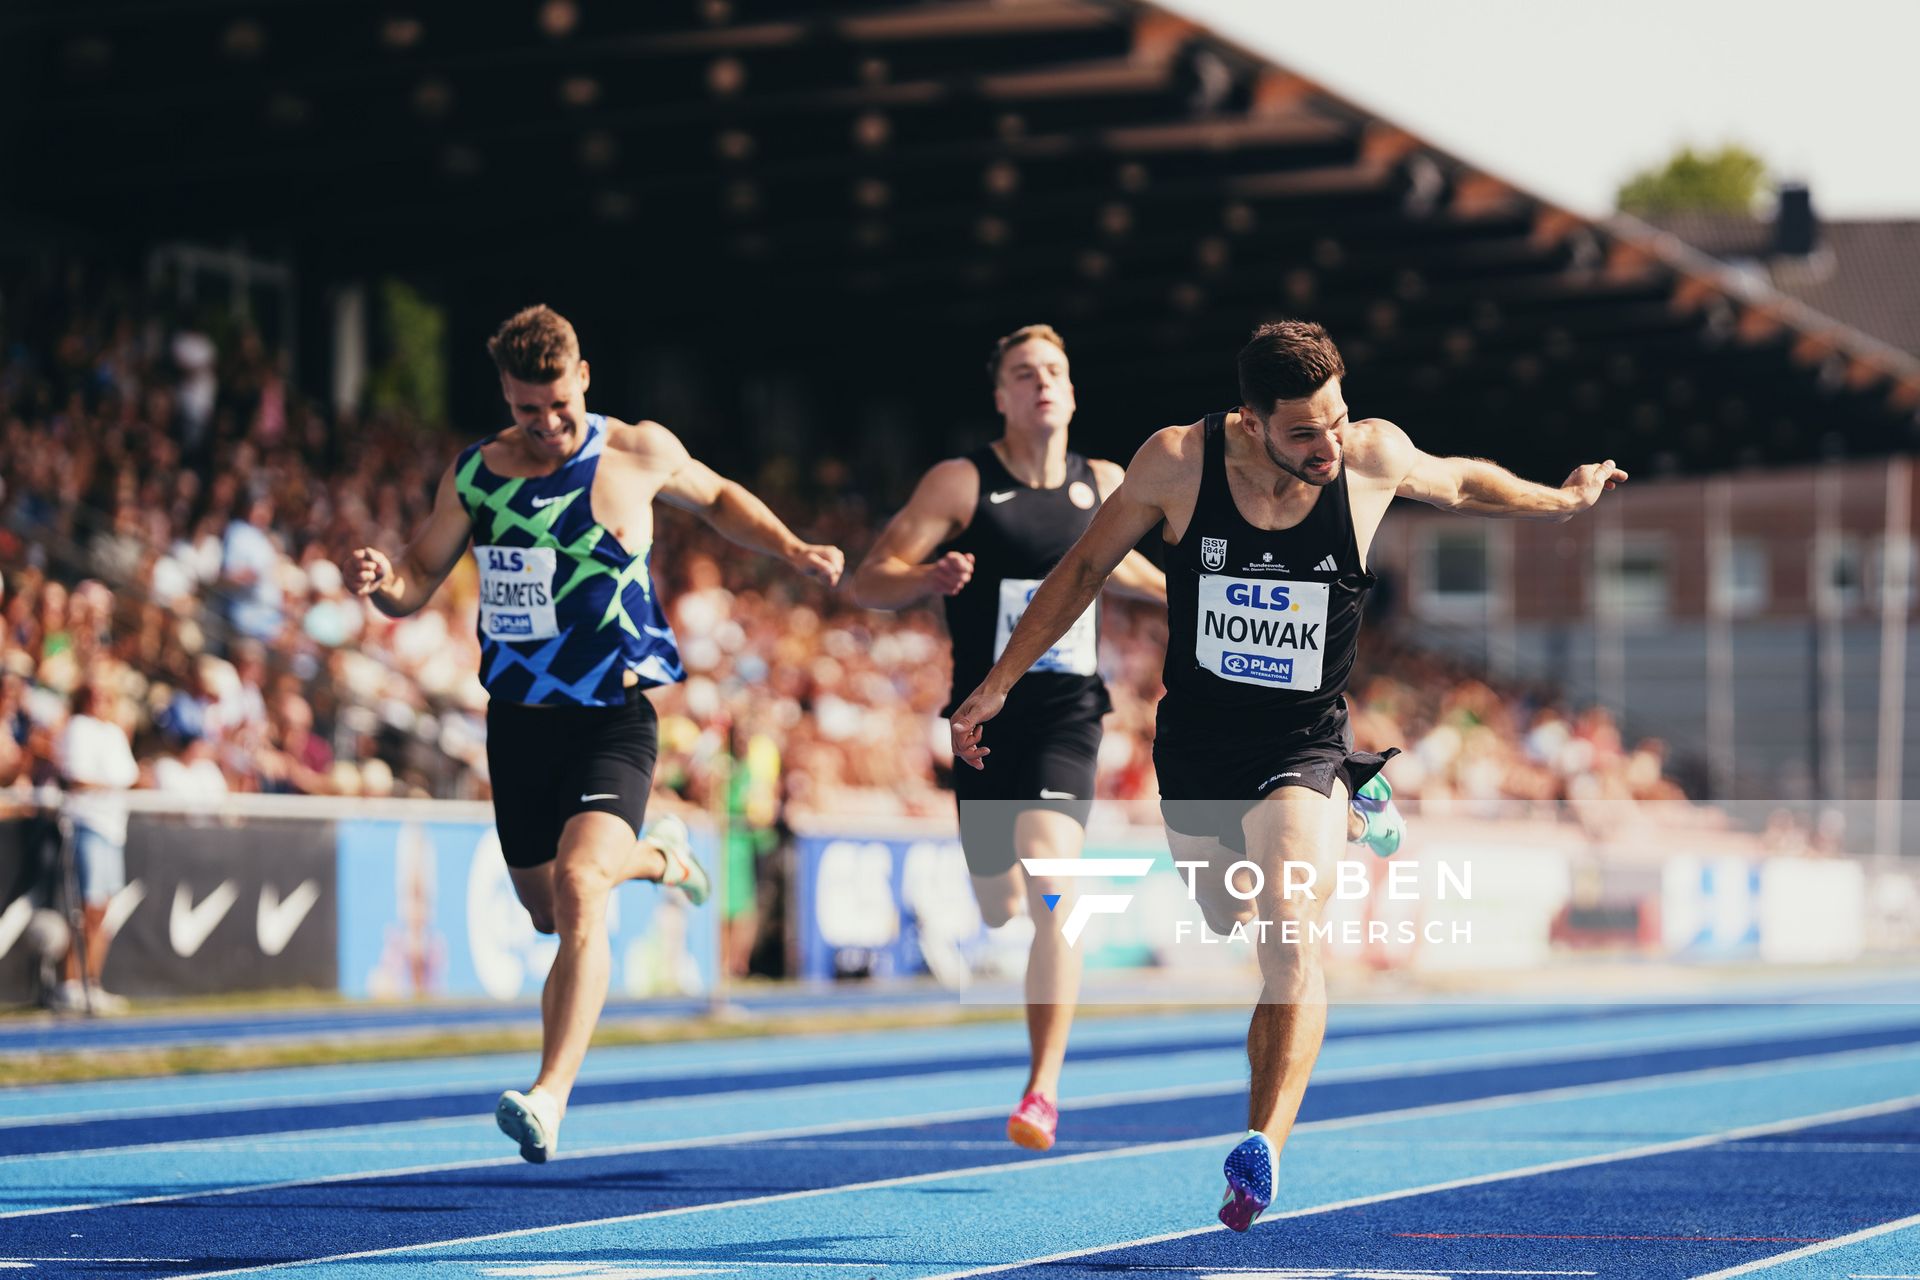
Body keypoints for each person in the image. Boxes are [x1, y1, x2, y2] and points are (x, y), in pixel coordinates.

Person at [949, 320, 1625, 1228]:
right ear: (1250, 421)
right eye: (1304, 432)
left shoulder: (1370, 456)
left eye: (1335, 420)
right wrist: (995, 686)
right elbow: (1079, 574)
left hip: (1302, 741)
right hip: (1196, 750)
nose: (1328, 446)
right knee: (1224, 911)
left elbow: (1461, 480)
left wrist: (1560, 499)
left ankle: (1261, 1147)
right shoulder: (1177, 464)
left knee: (1291, 933)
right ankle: (1358, 795)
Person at [344, 305, 843, 1163]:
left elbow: (719, 497)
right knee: (547, 913)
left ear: (583, 377)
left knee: (581, 889)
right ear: (506, 394)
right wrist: (385, 586)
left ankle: (550, 1095)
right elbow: (421, 571)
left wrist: (791, 547)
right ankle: (662, 858)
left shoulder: (636, 450)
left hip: (612, 720)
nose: (543, 426)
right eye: (525, 410)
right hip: (519, 727)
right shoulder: (477, 474)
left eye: (557, 406)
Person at [852, 324, 1166, 1152]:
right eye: (1024, 374)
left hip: (1069, 711)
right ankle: (1002, 910)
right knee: (997, 897)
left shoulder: (1103, 483)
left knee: (1055, 889)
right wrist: (925, 576)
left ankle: (1043, 1088)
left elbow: (1119, 569)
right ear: (1001, 396)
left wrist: (1197, 602)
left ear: (1072, 388)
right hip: (982, 717)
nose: (1042, 383)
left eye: (1055, 370)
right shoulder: (961, 483)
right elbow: (867, 578)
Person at [56, 681, 138, 1014]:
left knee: (103, 911)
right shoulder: (77, 728)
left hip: (113, 827)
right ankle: (70, 983)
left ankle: (92, 982)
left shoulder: (114, 734)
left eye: (106, 696)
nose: (100, 702)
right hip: (87, 823)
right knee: (85, 907)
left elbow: (128, 775)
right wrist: (109, 784)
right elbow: (76, 776)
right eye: (94, 696)